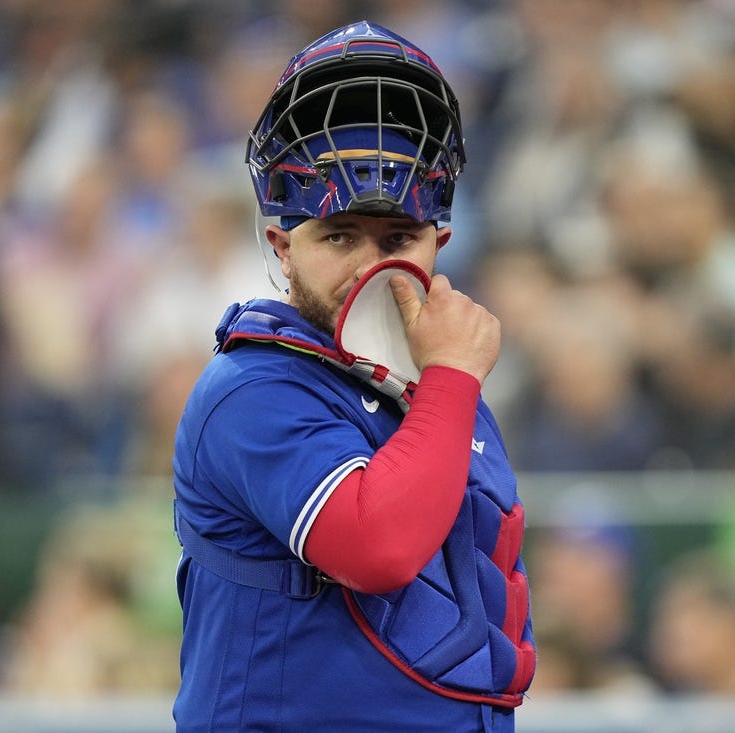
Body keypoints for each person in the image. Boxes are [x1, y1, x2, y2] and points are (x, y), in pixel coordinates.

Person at [172, 21, 536, 732]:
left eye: (399, 238)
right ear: (283, 245)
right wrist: (454, 378)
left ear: (441, 245)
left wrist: (447, 379)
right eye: (338, 236)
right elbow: (380, 547)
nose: (371, 267)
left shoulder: (430, 380)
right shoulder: (252, 389)